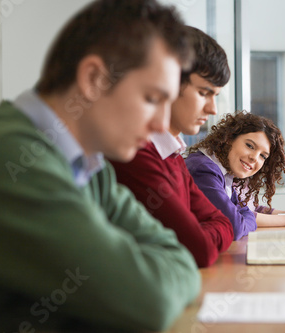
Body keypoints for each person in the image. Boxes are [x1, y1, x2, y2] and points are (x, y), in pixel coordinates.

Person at [0, 1, 201, 332]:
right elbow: (149, 300)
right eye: (152, 99)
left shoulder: (91, 167)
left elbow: (178, 255)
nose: (161, 125)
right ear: (94, 79)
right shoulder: (9, 159)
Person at [110, 26, 233, 268]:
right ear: (167, 83)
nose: (212, 109)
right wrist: (203, 234)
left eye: (215, 96)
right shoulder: (136, 154)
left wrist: (203, 233)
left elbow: (223, 222)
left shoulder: (173, 154)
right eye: (203, 93)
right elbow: (200, 250)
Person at [185, 111, 285, 240]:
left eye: (263, 156)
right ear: (229, 139)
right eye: (250, 146)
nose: (254, 158)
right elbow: (234, 227)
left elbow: (245, 212)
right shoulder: (204, 170)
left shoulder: (224, 174)